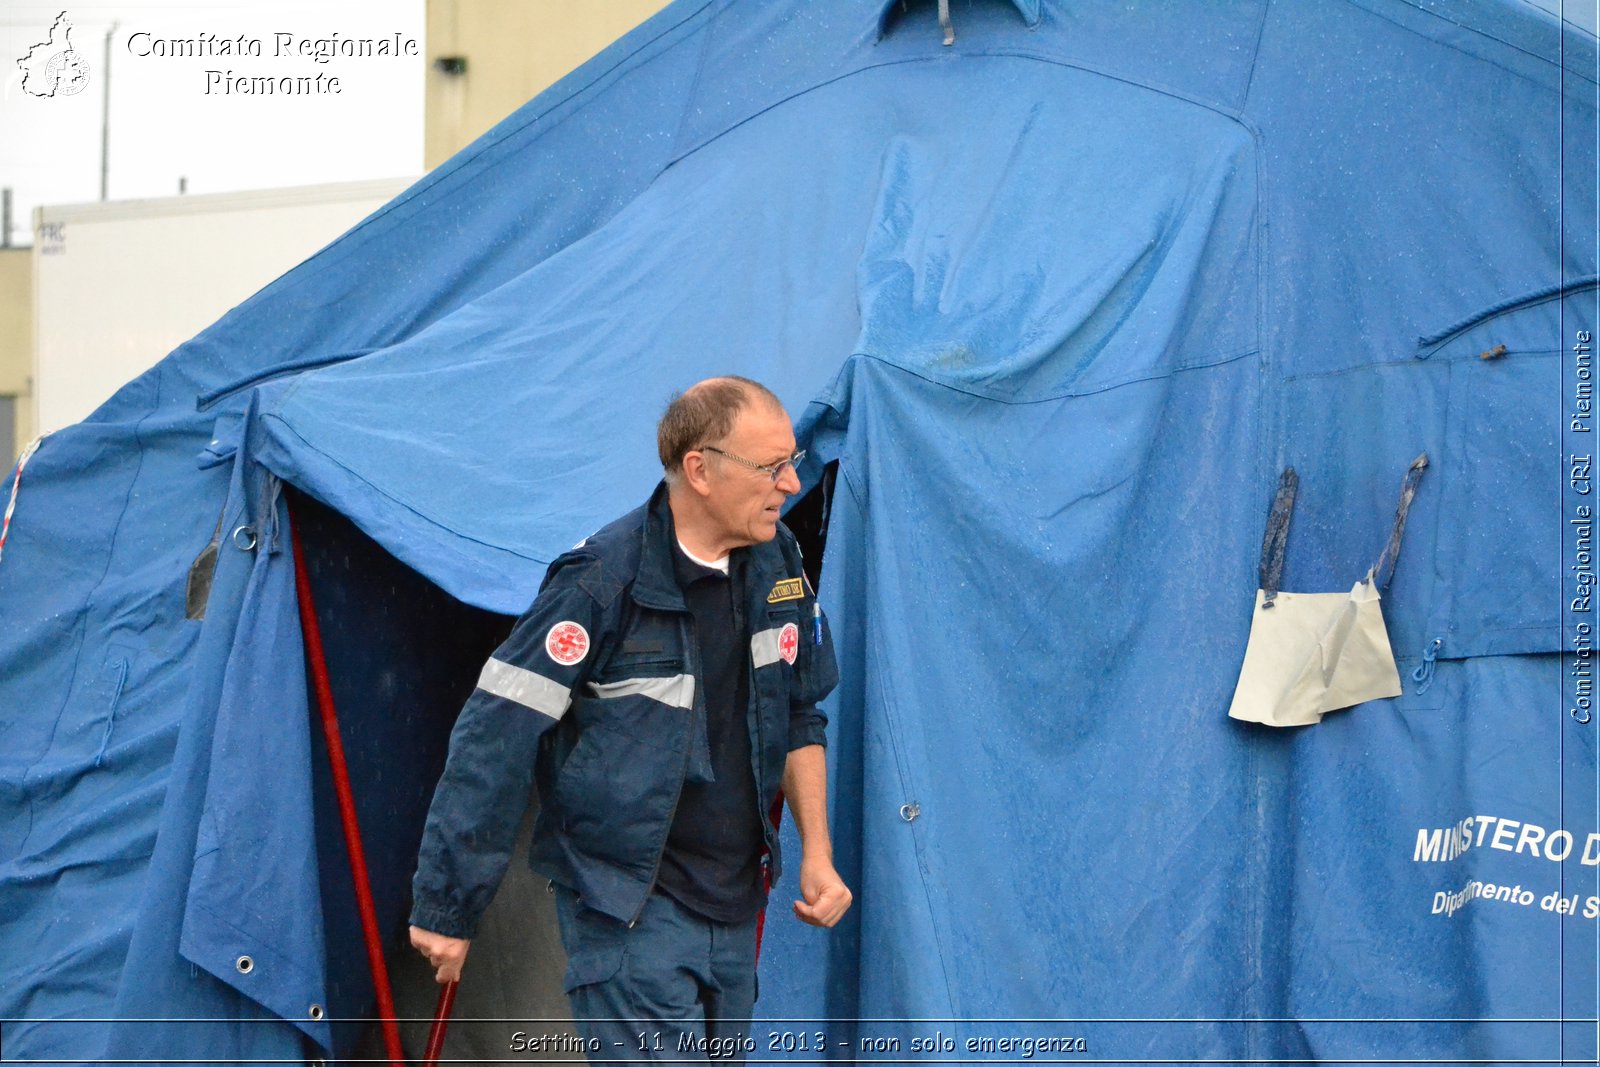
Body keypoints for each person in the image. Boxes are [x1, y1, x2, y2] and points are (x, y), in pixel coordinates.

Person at [407, 376, 851, 1062]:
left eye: (790, 461)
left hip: (734, 906)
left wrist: (816, 854)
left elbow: (800, 712)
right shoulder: (598, 582)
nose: (792, 482)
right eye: (771, 466)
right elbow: (494, 736)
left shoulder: (779, 565)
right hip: (627, 909)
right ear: (700, 469)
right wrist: (447, 903)